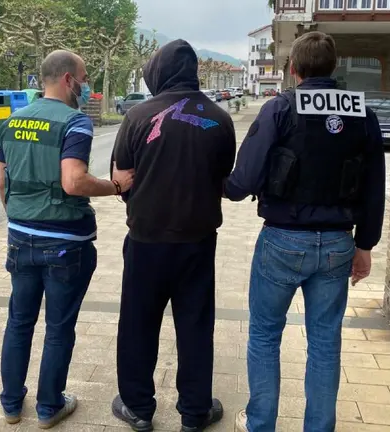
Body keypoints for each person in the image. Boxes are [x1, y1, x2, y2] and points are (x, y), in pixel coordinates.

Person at [226, 31, 386, 432]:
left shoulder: (280, 108)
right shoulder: (362, 114)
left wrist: (217, 185)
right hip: (337, 243)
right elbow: (374, 186)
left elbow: (244, 179)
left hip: (283, 238)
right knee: (325, 341)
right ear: (334, 67)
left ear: (293, 69)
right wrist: (365, 245)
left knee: (265, 334)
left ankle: (260, 423)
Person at [0, 49, 134, 429]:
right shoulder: (75, 123)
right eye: (85, 79)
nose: (87, 87)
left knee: (19, 322)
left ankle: (11, 405)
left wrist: (21, 221)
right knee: (58, 328)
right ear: (69, 79)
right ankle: (48, 407)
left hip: (20, 237)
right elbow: (73, 181)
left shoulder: (12, 121)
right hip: (65, 243)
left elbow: (2, 182)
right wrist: (116, 186)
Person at [109, 39, 237, 432]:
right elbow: (223, 178)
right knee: (195, 326)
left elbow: (121, 179)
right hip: (197, 241)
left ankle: (138, 408)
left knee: (138, 323)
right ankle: (195, 412)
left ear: (158, 72)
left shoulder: (137, 116)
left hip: (146, 240)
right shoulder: (219, 119)